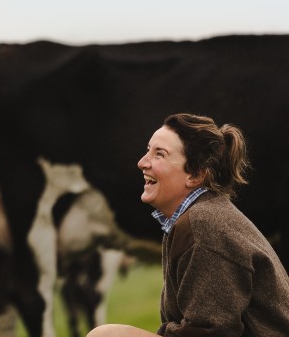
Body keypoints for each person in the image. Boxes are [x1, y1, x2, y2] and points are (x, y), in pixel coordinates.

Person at [87, 113, 289, 337]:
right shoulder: (202, 215)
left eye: (159, 155)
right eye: (148, 150)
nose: (142, 162)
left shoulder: (204, 224)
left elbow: (210, 331)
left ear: (195, 175)